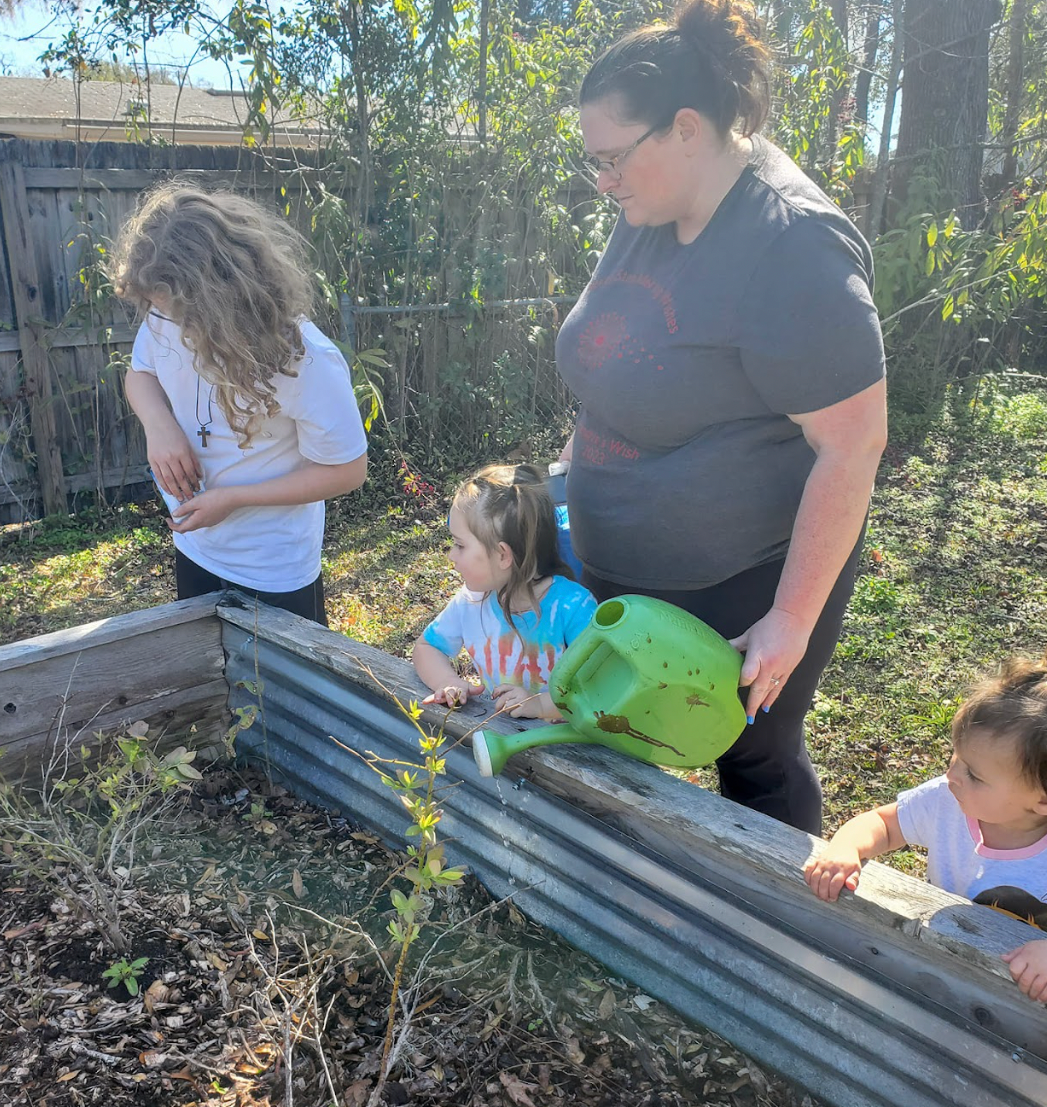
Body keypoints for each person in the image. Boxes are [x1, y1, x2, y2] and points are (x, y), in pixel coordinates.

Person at [554, 0, 887, 832]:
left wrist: (791, 618)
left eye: (614, 158)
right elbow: (610, 357)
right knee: (619, 739)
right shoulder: (648, 211)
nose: (603, 180)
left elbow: (852, 444)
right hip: (620, 565)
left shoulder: (793, 246)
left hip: (742, 584)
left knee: (755, 765)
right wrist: (563, 486)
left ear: (688, 128)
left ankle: (776, 941)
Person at [111, 185, 368, 624]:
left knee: (284, 692)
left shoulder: (306, 361)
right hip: (196, 545)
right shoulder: (164, 310)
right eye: (157, 308)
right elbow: (140, 374)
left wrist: (234, 498)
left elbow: (347, 471)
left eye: (179, 313)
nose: (166, 323)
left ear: (222, 297)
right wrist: (159, 426)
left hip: (274, 568)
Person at [804, 656, 1047, 1003]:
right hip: (942, 964)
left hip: (1023, 1007)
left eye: (974, 775)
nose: (953, 775)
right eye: (957, 757)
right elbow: (884, 824)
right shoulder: (948, 800)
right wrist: (846, 848)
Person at [413, 464, 597, 721]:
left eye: (459, 545)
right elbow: (425, 647)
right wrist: (446, 681)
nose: (451, 556)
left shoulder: (574, 608)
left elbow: (601, 690)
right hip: (502, 738)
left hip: (571, 752)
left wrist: (541, 705)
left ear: (502, 555)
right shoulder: (471, 601)